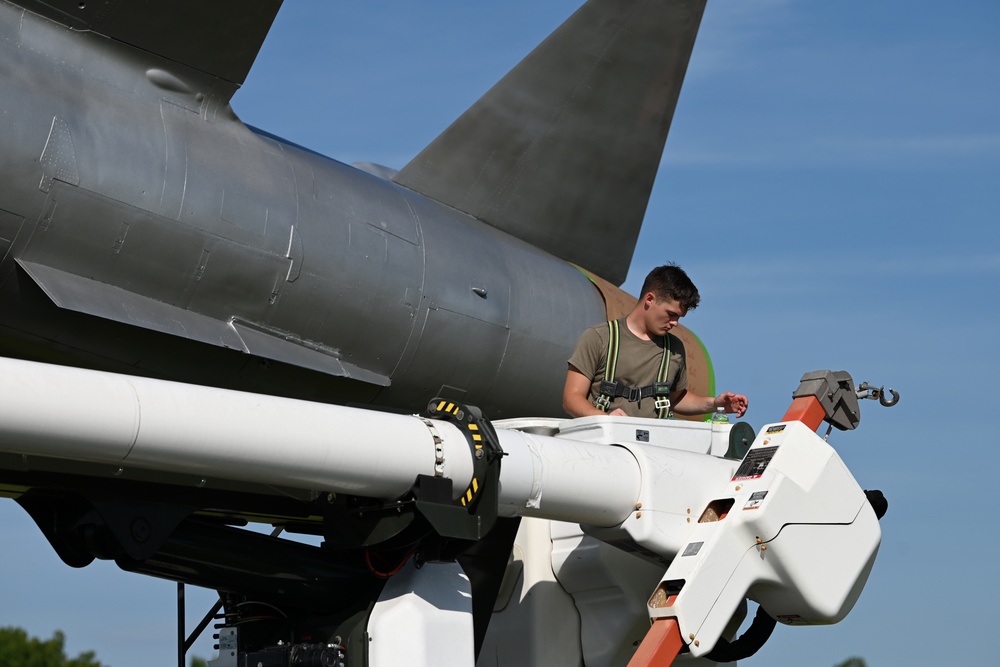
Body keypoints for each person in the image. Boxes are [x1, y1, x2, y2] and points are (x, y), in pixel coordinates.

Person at [563, 264, 748, 419]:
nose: (676, 323)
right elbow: (571, 398)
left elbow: (676, 399)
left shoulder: (674, 349)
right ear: (650, 299)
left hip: (650, 452)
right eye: (671, 314)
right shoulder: (599, 338)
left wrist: (715, 404)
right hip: (603, 448)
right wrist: (606, 421)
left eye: (679, 317)